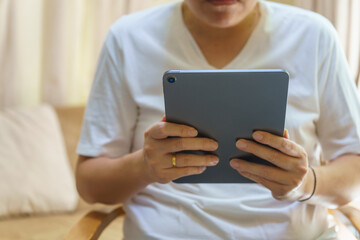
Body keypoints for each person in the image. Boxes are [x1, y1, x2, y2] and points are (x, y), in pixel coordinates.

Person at [75, 0, 360, 239]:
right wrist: (144, 167)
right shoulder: (128, 38)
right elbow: (89, 184)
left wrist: (305, 184)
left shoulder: (315, 36)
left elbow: (354, 169)